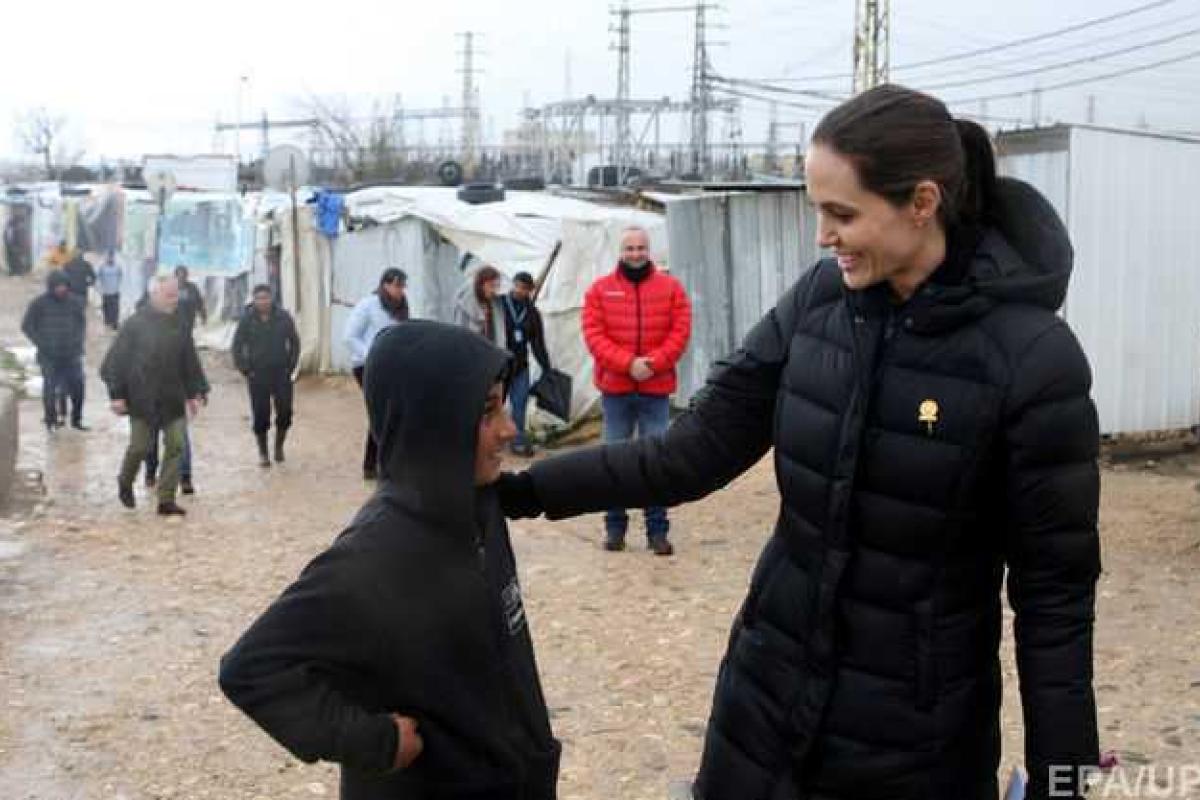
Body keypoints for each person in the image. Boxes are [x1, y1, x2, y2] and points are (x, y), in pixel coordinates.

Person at [499, 85, 1101, 800]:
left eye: (842, 214)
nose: (823, 235)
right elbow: (689, 452)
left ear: (922, 202)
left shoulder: (1032, 359)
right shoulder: (819, 302)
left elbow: (1053, 599)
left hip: (915, 744)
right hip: (764, 702)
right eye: (819, 210)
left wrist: (1064, 780)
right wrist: (520, 492)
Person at [219, 321, 560, 800]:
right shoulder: (375, 554)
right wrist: (370, 740)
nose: (509, 429)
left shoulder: (477, 507)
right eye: (487, 413)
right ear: (433, 424)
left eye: (503, 405)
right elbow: (250, 669)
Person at [580, 226, 691, 556]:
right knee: (614, 460)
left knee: (655, 461)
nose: (635, 254)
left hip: (655, 390)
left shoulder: (670, 289)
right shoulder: (599, 291)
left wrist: (654, 362)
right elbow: (594, 335)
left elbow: (680, 330)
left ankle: (657, 529)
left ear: (649, 250)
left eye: (641, 247)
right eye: (629, 248)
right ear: (620, 251)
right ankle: (615, 528)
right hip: (616, 390)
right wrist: (628, 364)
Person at [101, 275, 208, 516]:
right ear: (154, 295)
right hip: (142, 399)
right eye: (168, 295)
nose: (174, 299)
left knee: (177, 445)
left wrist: (195, 392)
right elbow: (114, 363)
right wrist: (117, 395)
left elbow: (189, 361)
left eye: (175, 294)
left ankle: (166, 499)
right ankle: (125, 481)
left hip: (172, 397)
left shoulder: (180, 324)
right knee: (140, 447)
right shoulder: (134, 324)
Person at [344, 268, 410, 480]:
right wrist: (372, 356)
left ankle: (374, 465)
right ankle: (378, 465)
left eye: (403, 286)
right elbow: (350, 337)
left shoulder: (402, 308)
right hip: (367, 367)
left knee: (390, 412)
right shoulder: (368, 305)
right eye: (397, 285)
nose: (401, 291)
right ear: (385, 285)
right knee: (383, 412)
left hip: (394, 367)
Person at [232, 284, 300, 467]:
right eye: (259, 298)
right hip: (257, 374)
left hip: (281, 373)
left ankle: (279, 446)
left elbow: (294, 342)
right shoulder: (247, 319)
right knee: (261, 413)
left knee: (285, 411)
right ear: (254, 300)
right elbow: (237, 346)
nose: (263, 301)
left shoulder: (283, 317)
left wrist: (291, 366)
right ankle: (263, 452)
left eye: (266, 298)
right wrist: (245, 369)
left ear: (272, 298)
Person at [21, 270, 87, 431]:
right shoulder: (39, 303)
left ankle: (76, 420)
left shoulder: (75, 302)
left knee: (78, 387)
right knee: (50, 390)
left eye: (64, 286)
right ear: (51, 287)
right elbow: (26, 326)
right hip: (48, 356)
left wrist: (78, 341)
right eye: (58, 286)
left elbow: (82, 324)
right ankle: (51, 420)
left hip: (72, 355)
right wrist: (42, 343)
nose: (61, 289)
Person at [501, 271, 552, 457]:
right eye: (517, 286)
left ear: (530, 290)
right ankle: (491, 440)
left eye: (524, 288)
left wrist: (546, 367)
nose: (520, 291)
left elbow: (538, 343)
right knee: (494, 405)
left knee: (519, 404)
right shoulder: (500, 305)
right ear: (512, 285)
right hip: (499, 366)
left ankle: (518, 441)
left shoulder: (532, 313)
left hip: (520, 365)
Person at [453, 265, 506, 348]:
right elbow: (460, 333)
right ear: (481, 284)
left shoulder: (494, 303)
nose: (495, 290)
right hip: (471, 351)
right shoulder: (465, 304)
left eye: (497, 286)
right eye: (491, 285)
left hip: (490, 350)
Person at [174, 265, 208, 333]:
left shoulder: (192, 288)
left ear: (187, 276)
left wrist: (203, 316)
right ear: (176, 276)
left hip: (188, 322)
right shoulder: (171, 288)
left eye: (184, 276)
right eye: (180, 276)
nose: (182, 278)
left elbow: (199, 303)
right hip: (174, 323)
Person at [97, 251, 123, 331]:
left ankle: (115, 323)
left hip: (115, 291)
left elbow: (120, 276)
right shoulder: (102, 267)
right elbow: (98, 277)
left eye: (112, 257)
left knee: (115, 308)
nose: (110, 259)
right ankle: (108, 322)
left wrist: (118, 286)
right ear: (107, 258)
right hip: (106, 292)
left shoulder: (118, 267)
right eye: (109, 257)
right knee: (106, 308)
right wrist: (100, 287)